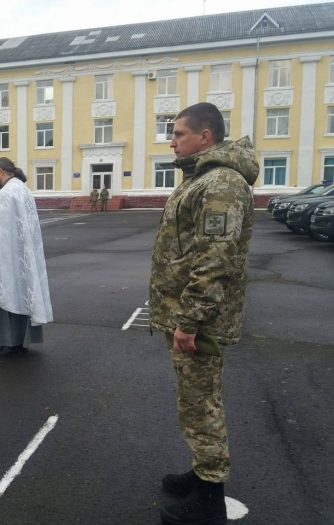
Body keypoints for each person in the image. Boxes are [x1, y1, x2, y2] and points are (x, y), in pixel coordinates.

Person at [149, 102, 258, 525]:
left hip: (200, 320)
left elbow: (215, 258)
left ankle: (210, 495)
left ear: (205, 136)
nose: (172, 141)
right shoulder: (201, 178)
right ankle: (200, 472)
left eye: (178, 133)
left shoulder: (222, 184)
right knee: (192, 401)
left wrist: (189, 320)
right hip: (186, 313)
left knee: (201, 404)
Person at [0, 157, 53, 357]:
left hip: (7, 259)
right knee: (23, 294)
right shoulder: (23, 189)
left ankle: (10, 342)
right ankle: (20, 341)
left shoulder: (7, 192)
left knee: (8, 295)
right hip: (21, 256)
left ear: (1, 171)